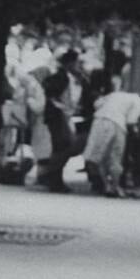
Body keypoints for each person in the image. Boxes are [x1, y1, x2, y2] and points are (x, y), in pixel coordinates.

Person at [82, 77, 140, 198]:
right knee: (116, 156)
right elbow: (131, 121)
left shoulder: (116, 94)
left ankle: (106, 185)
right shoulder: (139, 102)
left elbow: (97, 104)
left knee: (100, 156)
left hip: (99, 120)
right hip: (117, 123)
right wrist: (136, 133)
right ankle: (116, 186)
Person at [41, 50, 81, 192]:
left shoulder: (64, 76)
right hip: (58, 116)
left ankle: (53, 177)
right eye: (76, 62)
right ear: (70, 63)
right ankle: (53, 178)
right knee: (62, 146)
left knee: (60, 146)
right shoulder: (61, 77)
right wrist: (62, 107)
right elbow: (53, 95)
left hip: (59, 115)